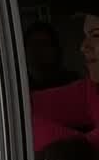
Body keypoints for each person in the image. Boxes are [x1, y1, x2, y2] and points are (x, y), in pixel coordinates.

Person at [31, 14, 99, 152]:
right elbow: (29, 104)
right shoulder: (92, 89)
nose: (83, 46)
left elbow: (85, 151)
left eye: (96, 35)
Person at [25, 21, 77, 90]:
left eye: (44, 44)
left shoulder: (71, 82)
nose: (38, 50)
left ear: (55, 49)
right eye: (34, 44)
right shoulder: (19, 84)